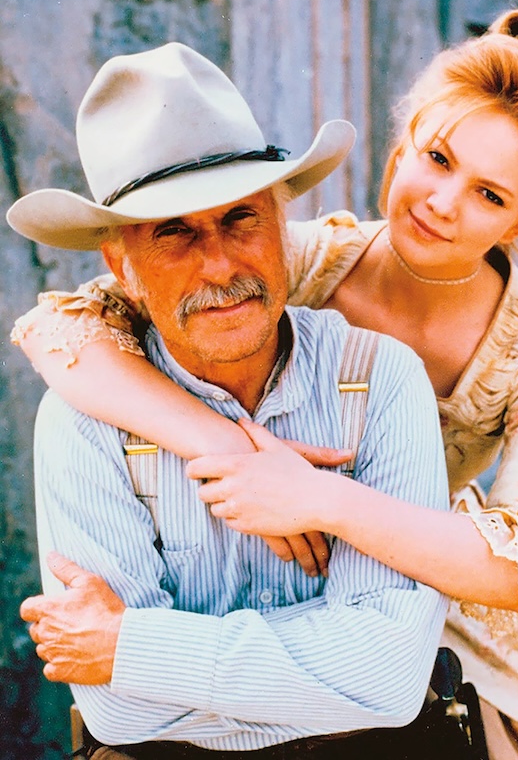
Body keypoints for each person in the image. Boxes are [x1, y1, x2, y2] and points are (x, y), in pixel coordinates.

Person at [12, 10, 518, 759]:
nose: (441, 201)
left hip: (450, 615)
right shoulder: (299, 255)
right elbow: (62, 333)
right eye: (437, 157)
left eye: (490, 195)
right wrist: (225, 447)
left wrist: (315, 496)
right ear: (403, 147)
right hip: (308, 604)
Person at [13, 42, 451, 757]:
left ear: (286, 229)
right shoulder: (81, 419)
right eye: (174, 232)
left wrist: (135, 644)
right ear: (122, 266)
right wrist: (323, 680)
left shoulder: (381, 381)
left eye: (241, 217)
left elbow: (392, 679)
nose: (218, 263)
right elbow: (123, 713)